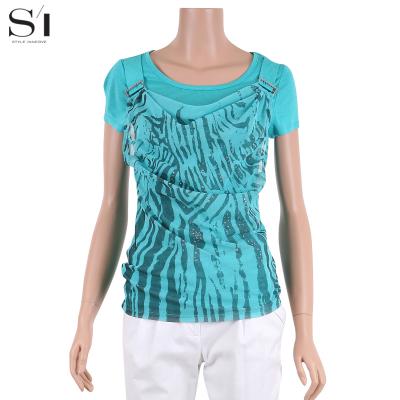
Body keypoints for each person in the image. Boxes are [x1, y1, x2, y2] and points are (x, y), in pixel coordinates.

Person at [69, 8, 326, 400]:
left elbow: (294, 210)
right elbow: (111, 205)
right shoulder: (127, 81)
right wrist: (85, 317)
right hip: (154, 304)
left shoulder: (273, 83)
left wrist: (305, 329)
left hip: (248, 308)